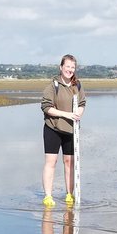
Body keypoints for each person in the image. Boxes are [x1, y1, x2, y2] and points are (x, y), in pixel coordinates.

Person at [40, 54, 85, 207]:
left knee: (69, 162)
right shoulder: (53, 86)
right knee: (51, 162)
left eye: (72, 67)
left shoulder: (77, 85)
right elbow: (46, 108)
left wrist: (79, 112)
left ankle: (69, 194)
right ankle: (48, 196)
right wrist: (66, 114)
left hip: (71, 131)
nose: (70, 70)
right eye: (67, 67)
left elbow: (82, 103)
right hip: (52, 128)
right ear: (61, 67)